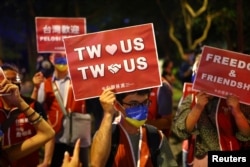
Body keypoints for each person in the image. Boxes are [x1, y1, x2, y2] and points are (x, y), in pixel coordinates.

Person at [90, 88, 178, 167]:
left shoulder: (155, 136)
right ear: (117, 106)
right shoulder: (107, 135)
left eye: (145, 103)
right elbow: (96, 164)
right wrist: (108, 114)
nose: (141, 108)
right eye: (134, 104)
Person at [31, 52, 89, 167]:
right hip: (55, 137)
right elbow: (33, 106)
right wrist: (36, 88)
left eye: (65, 57)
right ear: (51, 59)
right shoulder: (45, 83)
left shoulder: (80, 81)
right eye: (59, 57)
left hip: (77, 136)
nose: (62, 61)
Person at [173, 92, 250, 166]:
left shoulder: (236, 99)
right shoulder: (192, 98)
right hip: (202, 157)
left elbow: (246, 134)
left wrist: (237, 112)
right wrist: (198, 107)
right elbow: (182, 131)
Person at [0, 63, 54, 167]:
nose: (10, 84)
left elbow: (49, 133)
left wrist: (46, 161)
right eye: (6, 80)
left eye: (14, 80)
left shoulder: (32, 105)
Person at [147, 58, 175, 138]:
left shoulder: (162, 87)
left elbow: (167, 122)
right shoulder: (131, 86)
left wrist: (141, 125)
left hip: (156, 144)